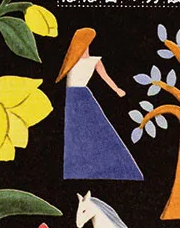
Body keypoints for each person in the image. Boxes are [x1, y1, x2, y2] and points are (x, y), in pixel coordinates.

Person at [58, 26, 143, 181]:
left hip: (82, 97)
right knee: (75, 134)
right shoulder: (71, 60)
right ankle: (76, 169)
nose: (86, 45)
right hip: (71, 98)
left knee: (96, 130)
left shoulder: (94, 61)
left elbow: (105, 77)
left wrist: (117, 89)